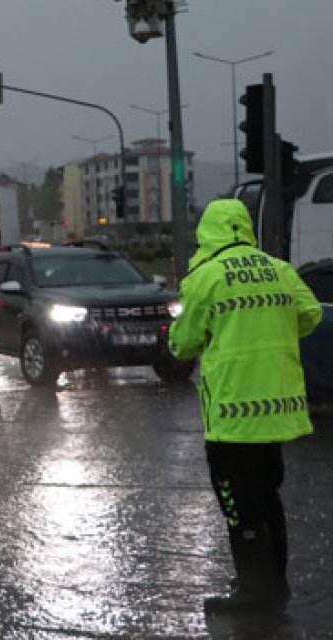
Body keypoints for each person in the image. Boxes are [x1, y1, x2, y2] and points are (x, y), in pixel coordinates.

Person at [169, 198, 323, 615]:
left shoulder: (206, 278)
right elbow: (310, 314)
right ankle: (275, 585)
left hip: (233, 416)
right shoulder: (279, 270)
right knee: (268, 498)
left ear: (207, 233)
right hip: (275, 411)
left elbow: (182, 344)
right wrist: (271, 327)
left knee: (238, 505)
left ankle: (254, 593)